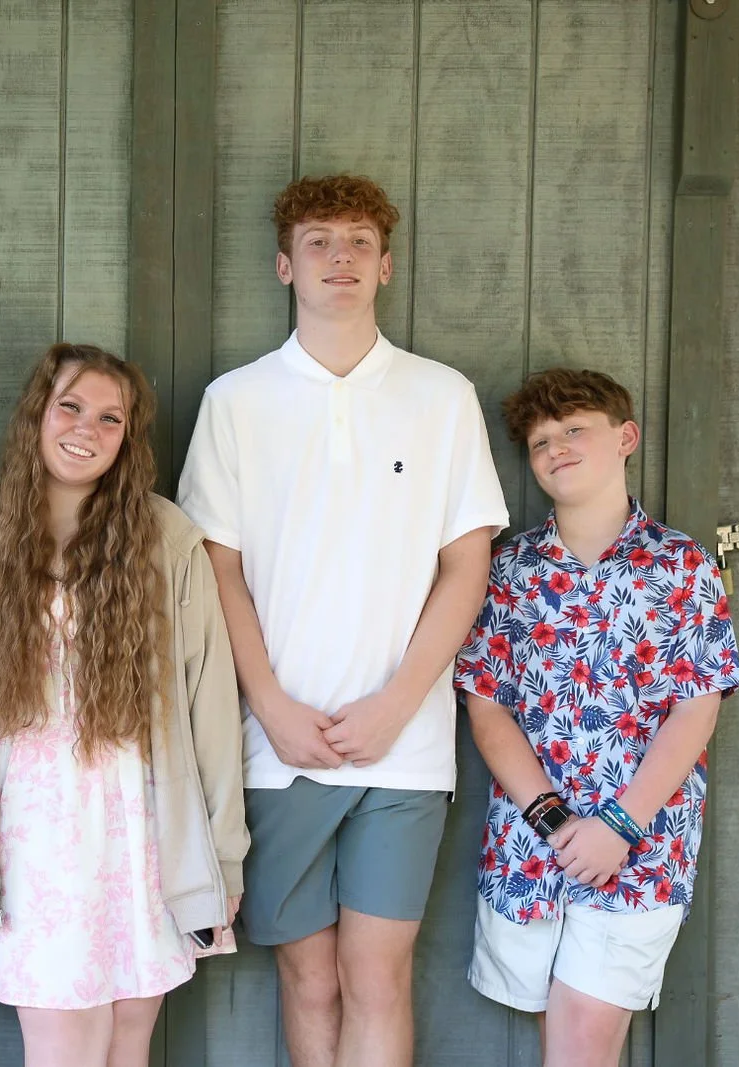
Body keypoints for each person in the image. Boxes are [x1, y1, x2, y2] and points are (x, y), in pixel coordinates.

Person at [176, 174, 510, 1067]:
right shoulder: (235, 401)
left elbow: (465, 564)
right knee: (308, 978)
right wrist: (274, 707)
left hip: (403, 746)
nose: (341, 258)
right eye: (320, 241)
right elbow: (218, 569)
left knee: (376, 976)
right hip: (280, 746)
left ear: (387, 266)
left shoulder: (442, 397)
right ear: (286, 265)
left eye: (360, 242)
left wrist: (400, 701)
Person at [0, 342, 248, 1067]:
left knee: (130, 1035)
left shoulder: (166, 539)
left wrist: (222, 856)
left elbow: (212, 708)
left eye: (110, 417)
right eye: (70, 406)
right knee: (65, 1045)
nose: (86, 428)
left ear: (128, 436)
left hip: (142, 824)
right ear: (37, 412)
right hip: (31, 834)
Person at [454, 368, 739, 1067]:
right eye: (540, 440)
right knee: (572, 1037)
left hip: (641, 847)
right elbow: (485, 704)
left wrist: (619, 823)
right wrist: (555, 819)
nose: (555, 447)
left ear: (626, 437)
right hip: (534, 844)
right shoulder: (510, 569)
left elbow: (696, 705)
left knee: (582, 1038)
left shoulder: (679, 564)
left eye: (573, 429)